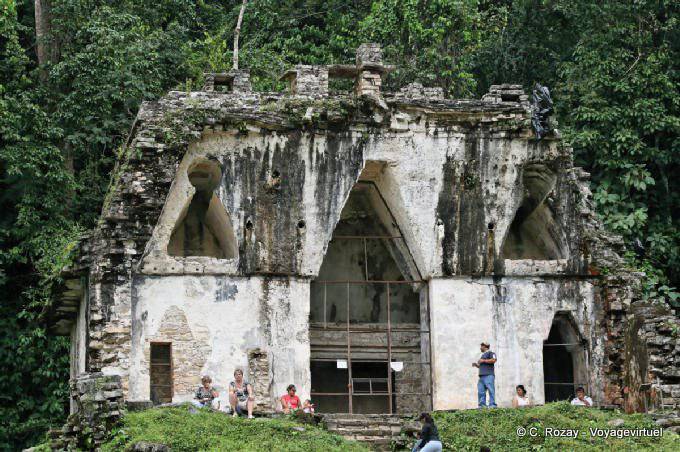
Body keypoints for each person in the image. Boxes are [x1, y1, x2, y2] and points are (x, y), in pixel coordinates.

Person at [472, 341, 497, 408]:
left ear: (485, 346)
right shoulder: (482, 355)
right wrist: (476, 365)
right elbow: (482, 366)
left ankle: (492, 405)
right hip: (481, 376)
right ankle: (482, 405)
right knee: (481, 391)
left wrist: (483, 360)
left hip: (489, 375)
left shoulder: (491, 353)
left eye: (481, 346)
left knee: (491, 390)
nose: (480, 347)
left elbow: (494, 360)